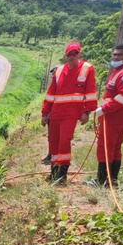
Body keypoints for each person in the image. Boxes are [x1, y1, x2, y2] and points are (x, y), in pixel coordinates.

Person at [41, 42, 97, 184]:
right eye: (69, 54)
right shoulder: (59, 72)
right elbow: (50, 94)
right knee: (53, 141)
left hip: (71, 113)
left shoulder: (87, 69)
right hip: (56, 113)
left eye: (75, 54)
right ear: (65, 55)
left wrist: (87, 112)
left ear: (79, 54)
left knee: (64, 141)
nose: (72, 57)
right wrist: (44, 113)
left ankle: (62, 174)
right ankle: (53, 172)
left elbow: (90, 91)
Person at [88, 43, 123, 188]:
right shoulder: (119, 70)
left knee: (105, 147)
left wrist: (104, 109)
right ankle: (111, 180)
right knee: (115, 148)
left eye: (119, 55)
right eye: (114, 54)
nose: (115, 57)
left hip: (116, 116)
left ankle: (102, 180)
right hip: (117, 115)